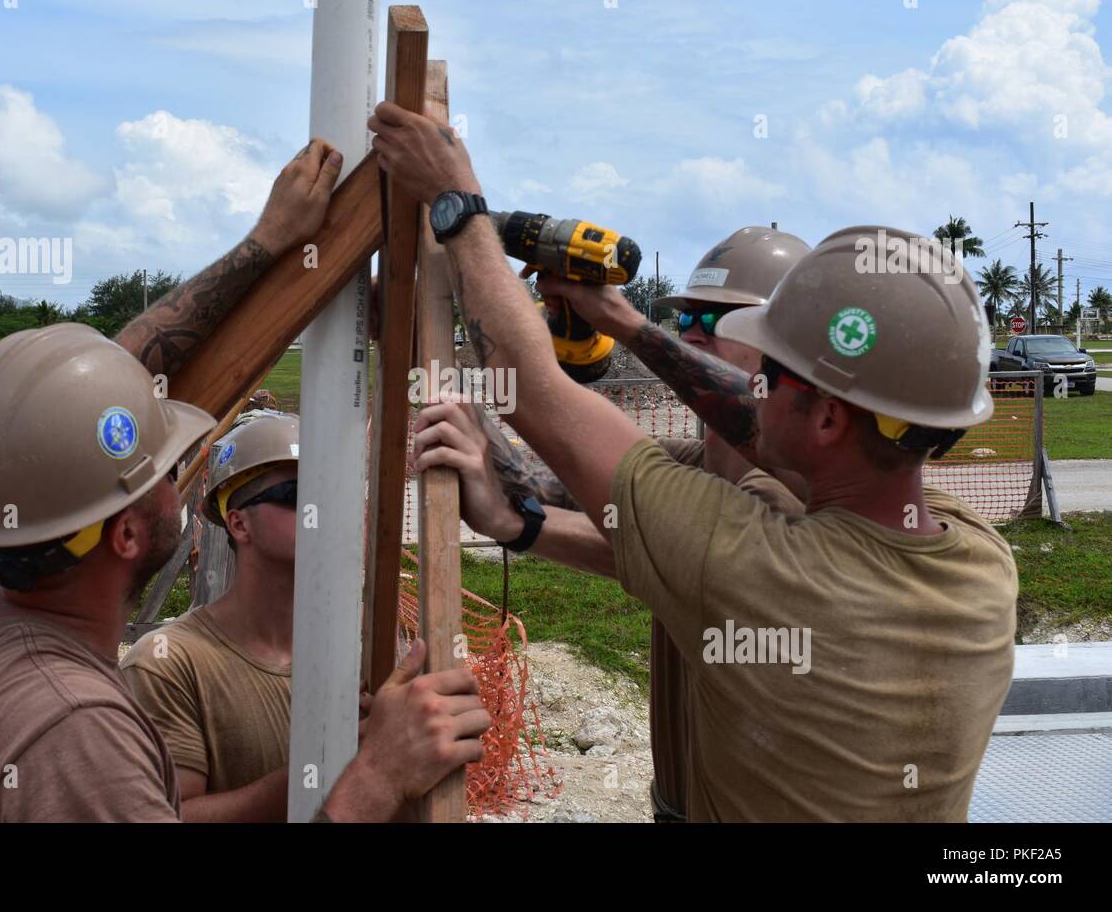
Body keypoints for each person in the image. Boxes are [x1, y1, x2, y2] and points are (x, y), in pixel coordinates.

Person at [373, 101, 1016, 820]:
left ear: (829, 418)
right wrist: (624, 325)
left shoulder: (758, 565)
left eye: (770, 369)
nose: (752, 387)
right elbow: (778, 436)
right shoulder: (980, 560)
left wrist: (460, 205)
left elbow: (534, 389)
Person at [0, 139, 489, 821]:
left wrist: (267, 243)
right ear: (124, 535)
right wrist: (374, 779)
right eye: (166, 467)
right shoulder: (76, 738)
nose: (180, 473)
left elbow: (60, 411)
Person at [424, 227, 811, 821]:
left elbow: (661, 547)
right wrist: (459, 399)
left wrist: (465, 231)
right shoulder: (691, 463)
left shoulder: (805, 496)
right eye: (689, 321)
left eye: (720, 321)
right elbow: (547, 472)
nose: (695, 334)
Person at [119, 411, 300, 821]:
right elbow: (173, 816)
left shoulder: (356, 649)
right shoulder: (168, 665)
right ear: (239, 523)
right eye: (295, 494)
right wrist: (324, 771)